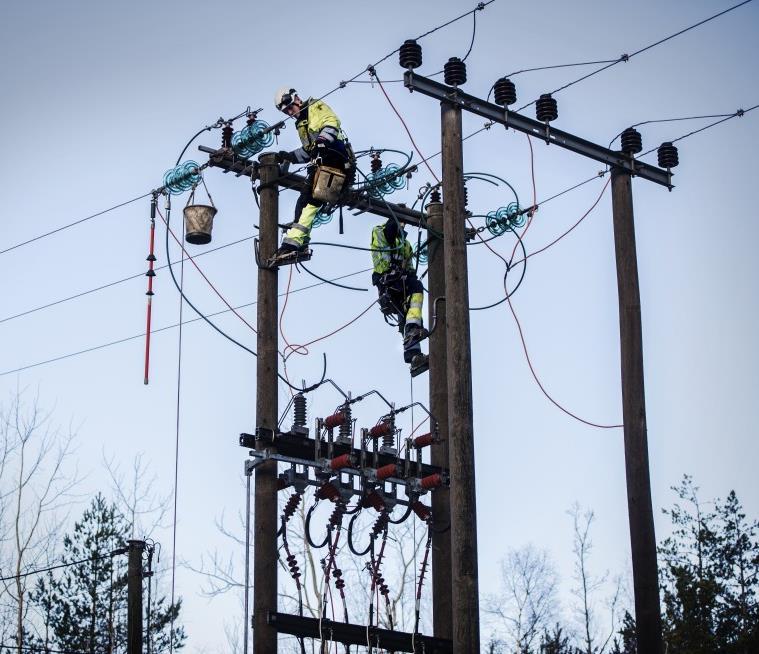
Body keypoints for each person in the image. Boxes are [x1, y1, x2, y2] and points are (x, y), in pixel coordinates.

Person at [272, 87, 355, 261]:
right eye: (286, 111)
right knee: (303, 203)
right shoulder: (302, 123)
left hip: (335, 160)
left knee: (309, 203)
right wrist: (290, 156)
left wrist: (322, 141)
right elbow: (309, 150)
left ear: (296, 99)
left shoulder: (314, 107)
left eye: (290, 107)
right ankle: (300, 244)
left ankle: (291, 245)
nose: (290, 112)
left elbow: (332, 123)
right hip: (323, 165)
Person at [371, 218, 428, 367]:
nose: (402, 225)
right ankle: (411, 330)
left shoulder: (406, 245)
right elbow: (386, 233)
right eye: (400, 222)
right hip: (388, 284)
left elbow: (410, 269)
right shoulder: (380, 232)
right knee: (416, 289)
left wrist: (408, 275)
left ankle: (414, 356)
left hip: (401, 285)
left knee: (409, 314)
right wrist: (396, 218)